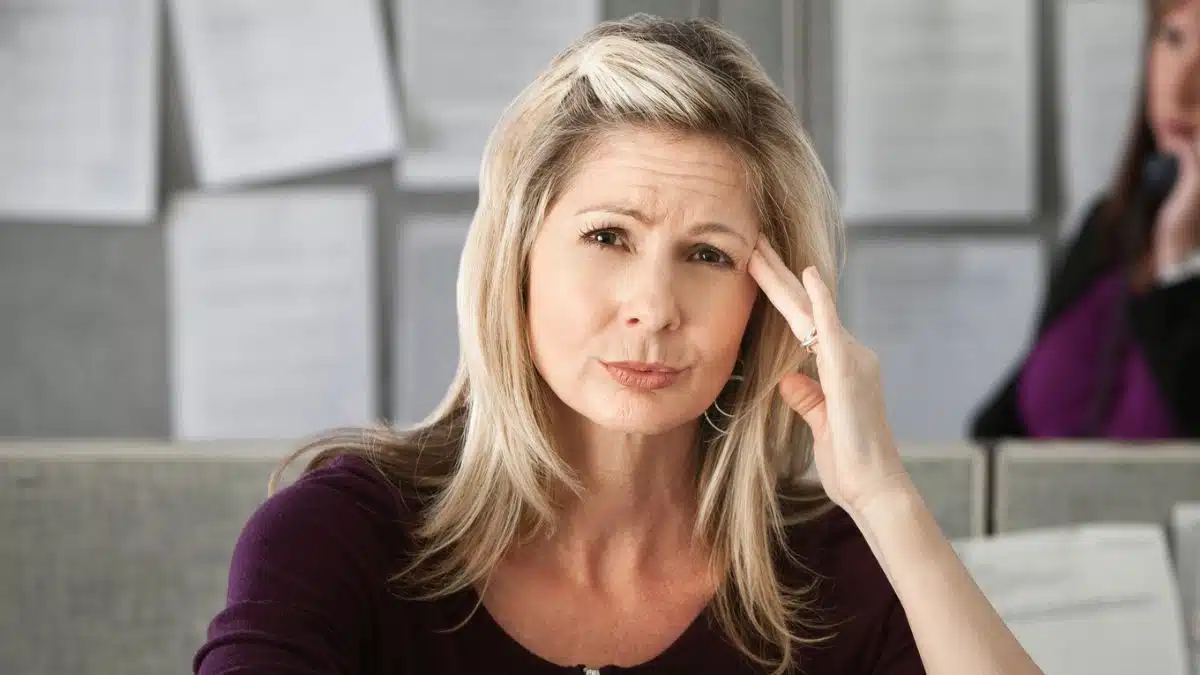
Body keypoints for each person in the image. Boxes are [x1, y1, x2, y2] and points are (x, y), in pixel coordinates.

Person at [195, 15, 1042, 675]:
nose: (653, 307)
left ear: (772, 299)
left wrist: (883, 494)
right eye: (608, 237)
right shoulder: (342, 537)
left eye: (708, 255)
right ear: (516, 259)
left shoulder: (833, 574)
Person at [971, 0, 1200, 440]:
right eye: (1172, 38)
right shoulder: (1107, 227)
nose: (1181, 88)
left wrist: (1179, 266)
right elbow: (1001, 425)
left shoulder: (1173, 248)